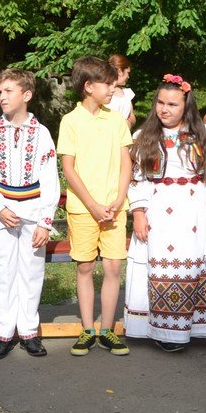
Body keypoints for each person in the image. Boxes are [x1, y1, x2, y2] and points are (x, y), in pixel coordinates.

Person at [124, 74, 206, 351]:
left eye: (172, 104)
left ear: (186, 106)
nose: (164, 109)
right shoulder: (144, 137)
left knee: (201, 267)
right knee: (164, 265)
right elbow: (136, 178)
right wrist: (138, 213)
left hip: (197, 209)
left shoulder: (204, 135)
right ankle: (167, 331)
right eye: (160, 102)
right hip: (160, 211)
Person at [0, 69, 60, 359]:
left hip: (34, 211)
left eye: (9, 91)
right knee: (4, 272)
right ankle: (5, 332)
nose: (2, 96)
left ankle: (29, 332)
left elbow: (50, 181)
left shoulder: (42, 133)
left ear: (27, 95)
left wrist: (46, 222)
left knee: (32, 272)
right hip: (3, 212)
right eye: (0, 92)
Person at [58, 56, 133, 356]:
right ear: (88, 86)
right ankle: (87, 329)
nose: (113, 87)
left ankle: (108, 330)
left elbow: (126, 163)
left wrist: (117, 200)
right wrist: (91, 204)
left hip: (115, 208)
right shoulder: (70, 121)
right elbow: (69, 168)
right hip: (83, 209)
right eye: (107, 83)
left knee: (114, 267)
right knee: (86, 267)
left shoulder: (116, 119)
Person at [107, 53, 137, 127]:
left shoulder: (127, 93)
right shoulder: (105, 92)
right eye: (127, 73)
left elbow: (132, 117)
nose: (128, 77)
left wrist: (127, 124)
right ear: (120, 71)